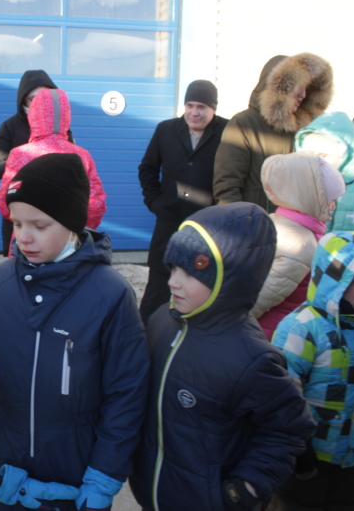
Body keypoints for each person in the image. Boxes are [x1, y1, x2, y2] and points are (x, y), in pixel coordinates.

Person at [0, 153, 148, 511]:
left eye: (40, 225)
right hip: (5, 458)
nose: (24, 237)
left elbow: (127, 393)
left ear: (72, 223)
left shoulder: (109, 295)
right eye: (16, 224)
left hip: (73, 461)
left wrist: (104, 475)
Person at [129, 202, 315, 511]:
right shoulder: (162, 319)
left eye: (190, 273)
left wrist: (243, 490)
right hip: (152, 493)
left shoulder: (251, 357)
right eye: (173, 268)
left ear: (231, 279)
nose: (173, 281)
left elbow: (288, 429)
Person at [271, 231, 354, 511]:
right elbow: (281, 397)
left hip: (351, 462)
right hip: (305, 466)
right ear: (335, 280)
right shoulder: (303, 326)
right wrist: (300, 454)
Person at [138, 80, 228, 324]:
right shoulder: (166, 130)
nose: (194, 112)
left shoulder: (228, 132)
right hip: (169, 222)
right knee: (159, 286)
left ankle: (190, 334)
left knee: (200, 281)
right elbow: (147, 169)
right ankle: (145, 337)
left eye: (201, 106)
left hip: (206, 228)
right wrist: (155, 203)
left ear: (213, 109)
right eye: (189, 105)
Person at [213, 53, 333, 212]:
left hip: (297, 228)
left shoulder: (305, 130)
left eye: (307, 88)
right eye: (298, 87)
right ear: (279, 88)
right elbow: (227, 186)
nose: (303, 94)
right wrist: (241, 225)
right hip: (255, 227)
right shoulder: (243, 124)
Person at [0, 87, 106, 254]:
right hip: (67, 245)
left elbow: (5, 203)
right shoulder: (82, 155)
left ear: (33, 114)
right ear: (67, 116)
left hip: (27, 245)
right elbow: (95, 205)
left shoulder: (20, 154)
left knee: (23, 279)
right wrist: (73, 228)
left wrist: (26, 222)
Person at [251, 152, 344, 339]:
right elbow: (255, 303)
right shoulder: (299, 244)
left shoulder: (281, 223)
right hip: (276, 338)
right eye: (329, 199)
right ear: (307, 196)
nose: (333, 206)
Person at [0, 69, 73, 256]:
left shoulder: (63, 128)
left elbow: (74, 169)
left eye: (45, 96)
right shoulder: (10, 126)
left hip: (56, 209)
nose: (39, 103)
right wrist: (25, 165)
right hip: (20, 207)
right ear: (23, 100)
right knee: (21, 264)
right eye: (32, 98)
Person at [295, 111, 354, 233]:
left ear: (346, 154)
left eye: (323, 155)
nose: (317, 162)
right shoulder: (307, 186)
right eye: (310, 156)